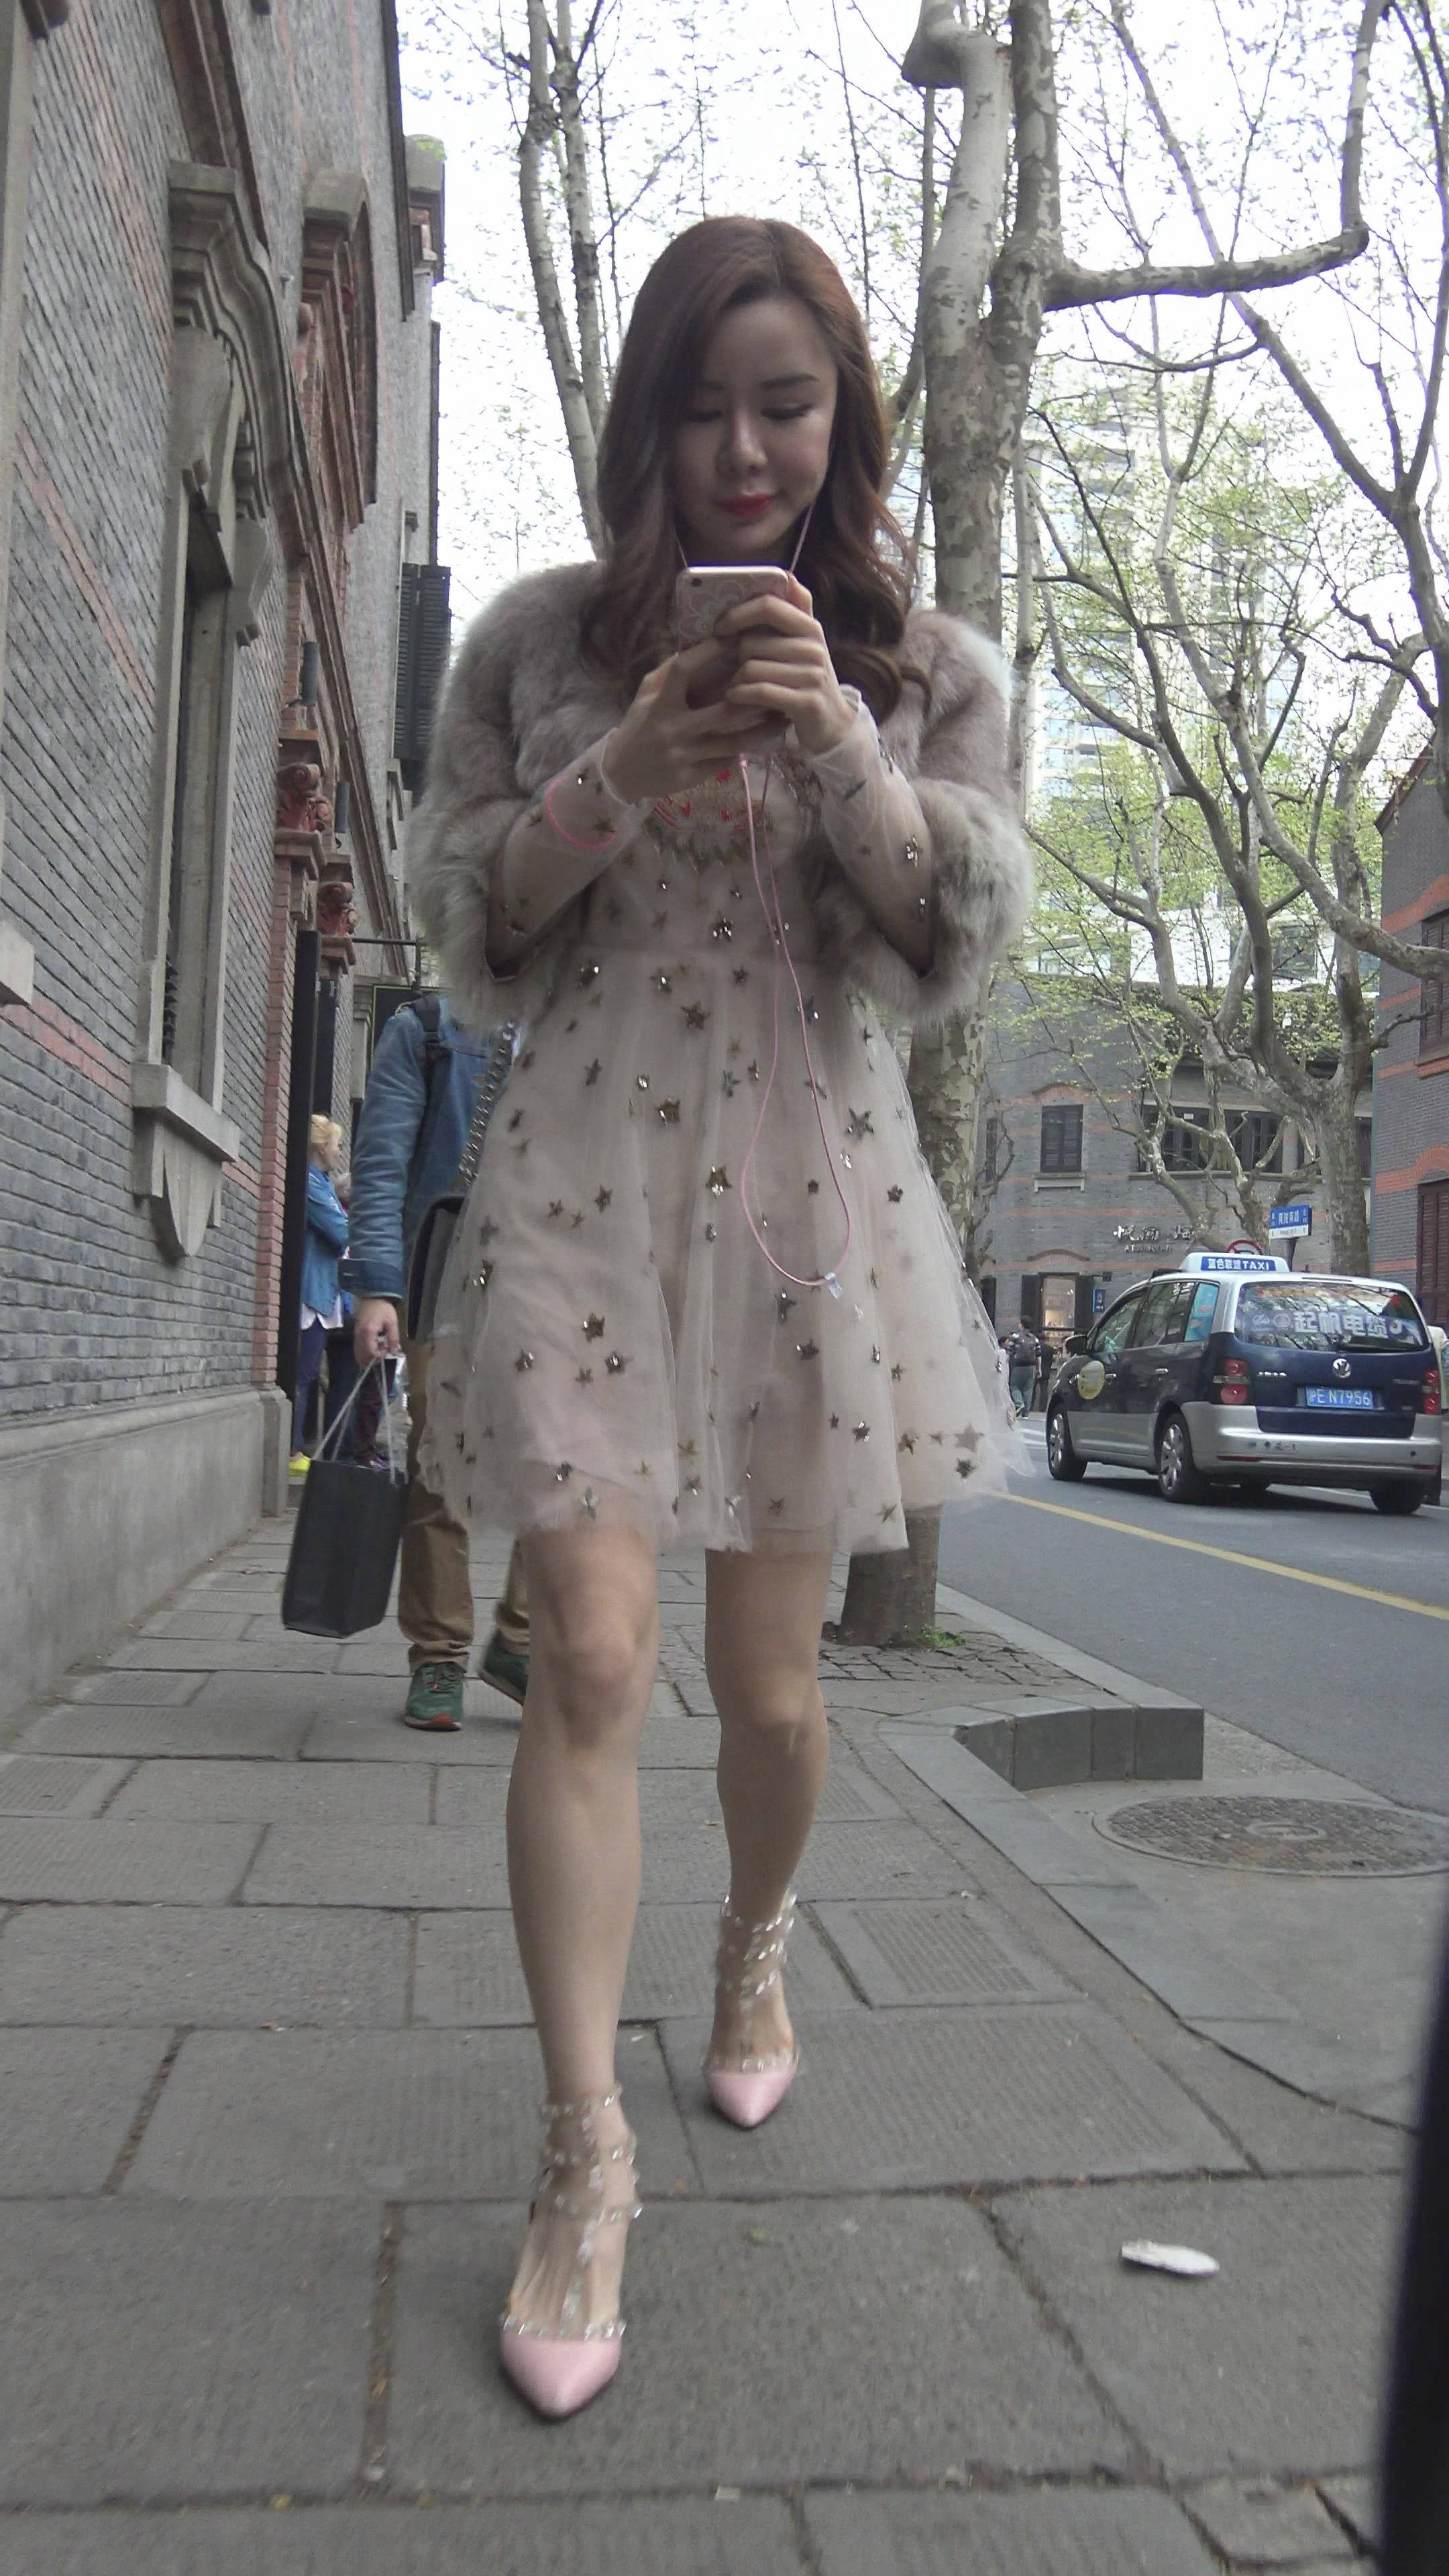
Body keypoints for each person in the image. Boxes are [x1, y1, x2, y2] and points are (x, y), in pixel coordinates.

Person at [409, 215, 1030, 2420]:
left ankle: (755, 1948)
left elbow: (950, 936)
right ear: (649, 418)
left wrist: (841, 748)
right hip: (584, 1175)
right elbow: (474, 922)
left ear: (844, 421)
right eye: (706, 405)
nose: (748, 449)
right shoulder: (536, 644)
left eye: (788, 404)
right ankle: (584, 2154)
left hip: (801, 1205)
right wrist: (625, 766)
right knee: (589, 1653)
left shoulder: (930, 666)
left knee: (773, 1688)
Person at [345, 994, 532, 1729]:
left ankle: (521, 1640)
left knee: (562, 1464)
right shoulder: (427, 1031)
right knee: (439, 1465)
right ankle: (439, 1655)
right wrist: (378, 1287)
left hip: (553, 1284)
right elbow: (382, 1163)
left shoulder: (588, 1018)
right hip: (444, 1278)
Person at [290, 1116, 349, 1472]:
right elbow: (341, 1232)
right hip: (312, 1291)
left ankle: (296, 1448)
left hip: (322, 1289)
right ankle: (293, 1451)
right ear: (322, 1147)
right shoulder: (311, 1183)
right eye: (337, 1145)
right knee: (303, 1372)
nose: (340, 1151)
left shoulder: (321, 1183)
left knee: (310, 1371)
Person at [1007, 1324, 1040, 1419]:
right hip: (1031, 1366)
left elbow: (1010, 1351)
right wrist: (1039, 1369)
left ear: (1022, 1325)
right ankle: (1026, 1413)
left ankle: (1019, 1403)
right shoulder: (1034, 1338)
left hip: (1018, 1365)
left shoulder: (1016, 1336)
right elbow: (1039, 1355)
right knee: (1028, 1389)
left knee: (1014, 1386)